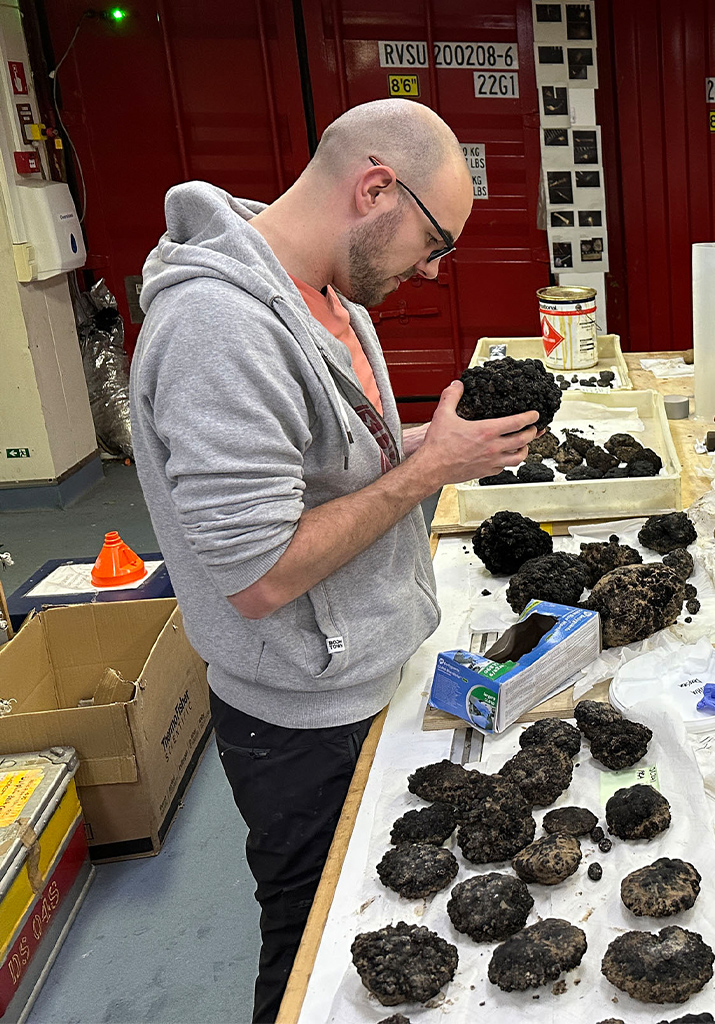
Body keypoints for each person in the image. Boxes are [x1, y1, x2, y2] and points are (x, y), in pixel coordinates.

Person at [129, 99, 539, 1023]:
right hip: (301, 723)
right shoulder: (218, 332)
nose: (434, 270)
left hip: (369, 675)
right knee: (314, 949)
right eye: (435, 241)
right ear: (375, 188)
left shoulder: (330, 292)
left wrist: (429, 461)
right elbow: (258, 576)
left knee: (391, 927)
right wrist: (430, 470)